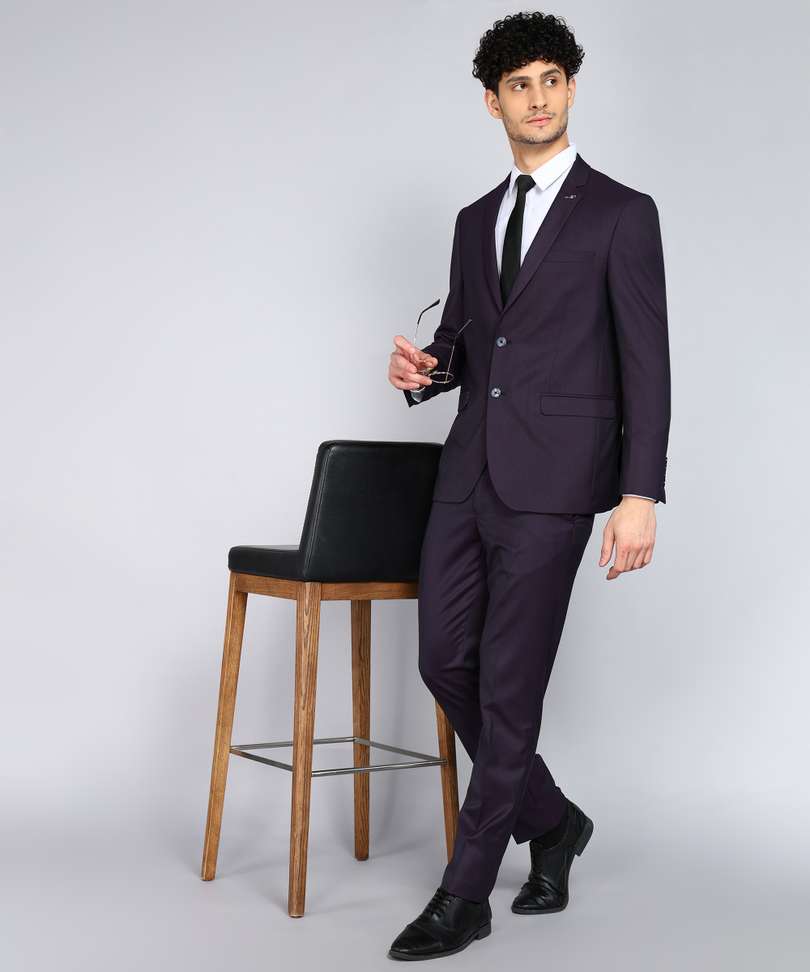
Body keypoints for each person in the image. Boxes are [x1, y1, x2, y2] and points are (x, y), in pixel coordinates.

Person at [385, 10, 671, 961]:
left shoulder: (622, 213)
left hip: (557, 483)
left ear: (571, 88)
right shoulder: (475, 220)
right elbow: (469, 344)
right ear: (493, 102)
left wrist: (639, 494)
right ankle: (553, 821)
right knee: (443, 661)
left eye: (552, 79)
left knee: (510, 687)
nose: (538, 98)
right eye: (520, 85)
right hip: (467, 470)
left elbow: (648, 362)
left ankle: (465, 893)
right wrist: (424, 372)